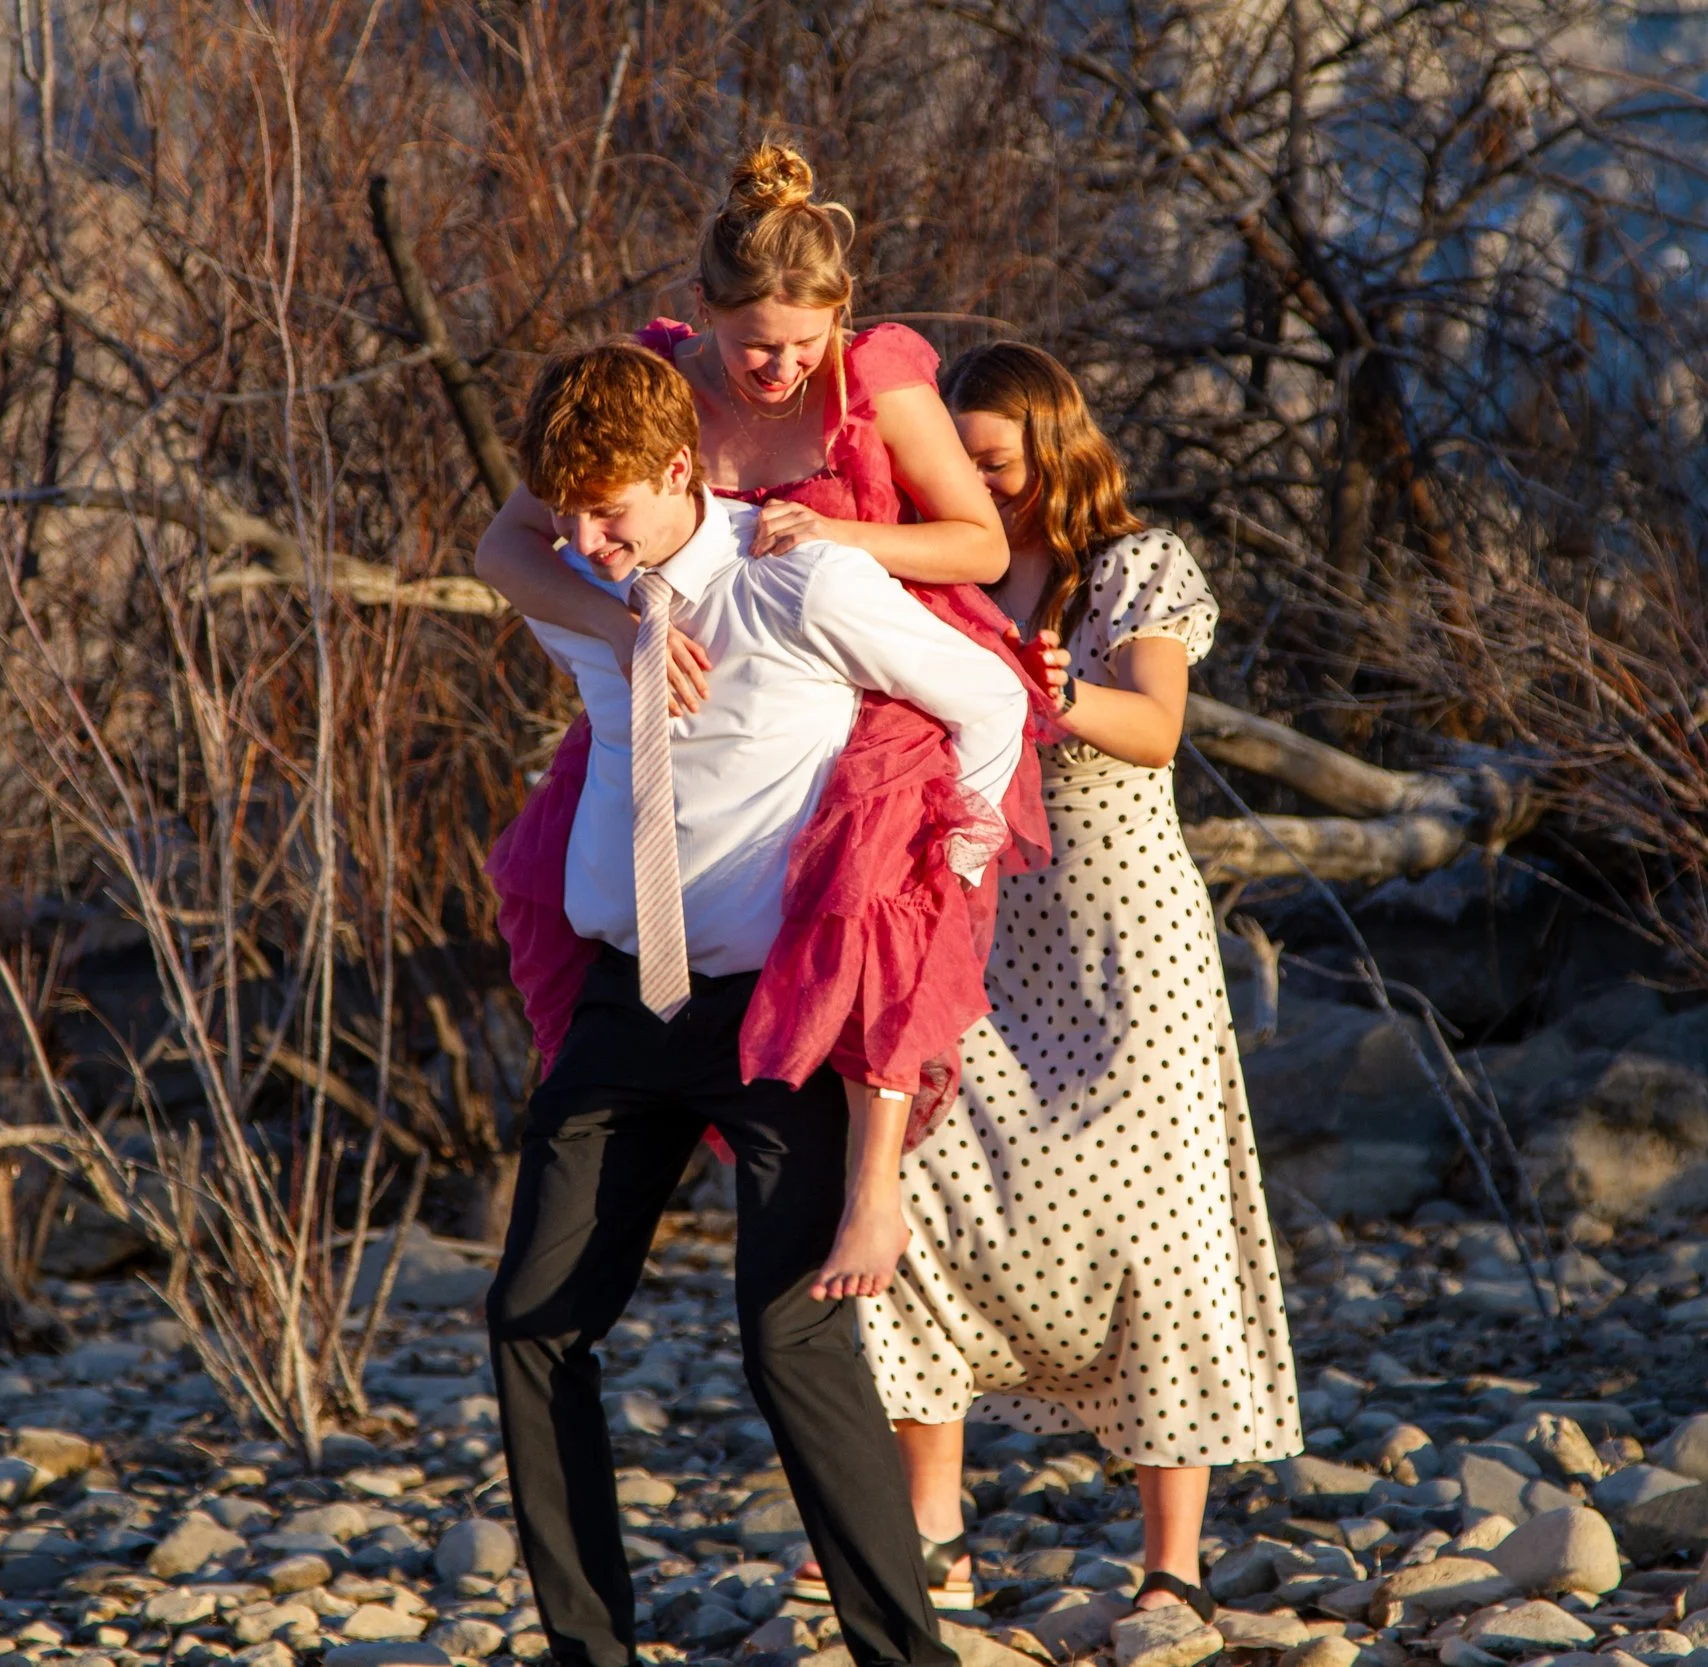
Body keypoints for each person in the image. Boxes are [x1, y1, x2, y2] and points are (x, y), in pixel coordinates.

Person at [484, 342, 1028, 1667]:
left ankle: (906, 1651)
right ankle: (588, 1649)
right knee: (533, 1319)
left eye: (614, 511)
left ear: (684, 470)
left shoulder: (801, 577)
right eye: (572, 517)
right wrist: (620, 613)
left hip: (772, 1022)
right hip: (624, 1006)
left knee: (792, 1339)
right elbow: (504, 552)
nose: (590, 539)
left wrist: (936, 878)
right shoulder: (586, 589)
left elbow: (990, 701)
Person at [832, 343, 1304, 1618]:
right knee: (920, 1183)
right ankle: (936, 1530)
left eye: (997, 461)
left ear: (1056, 446)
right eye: (959, 462)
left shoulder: (1135, 564)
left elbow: (1155, 728)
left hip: (1122, 940)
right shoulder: (938, 565)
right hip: (973, 926)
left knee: (1163, 1223)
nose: (978, 484)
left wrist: (1063, 693)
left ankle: (1170, 1565)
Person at [480, 142, 1052, 1160]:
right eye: (754, 347)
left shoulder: (875, 388)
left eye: (804, 341)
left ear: (842, 311)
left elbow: (980, 542)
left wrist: (843, 533)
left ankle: (843, 1218)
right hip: (697, 692)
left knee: (862, 988)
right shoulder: (651, 393)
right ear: (702, 307)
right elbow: (506, 544)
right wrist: (621, 631)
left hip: (869, 691)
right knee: (622, 921)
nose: (783, 368)